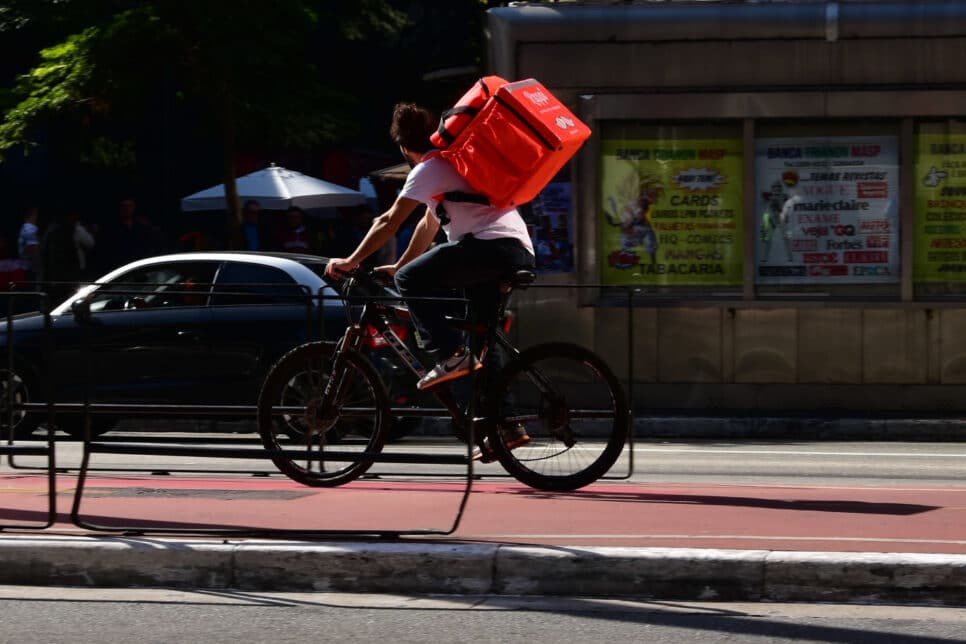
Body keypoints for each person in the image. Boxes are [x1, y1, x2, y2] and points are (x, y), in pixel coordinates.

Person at [324, 103, 536, 456]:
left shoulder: (429, 168)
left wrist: (350, 261)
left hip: (488, 249)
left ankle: (452, 354)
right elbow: (428, 225)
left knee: (416, 287)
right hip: (514, 251)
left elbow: (388, 221)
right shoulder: (453, 164)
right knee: (481, 341)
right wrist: (399, 265)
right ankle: (507, 427)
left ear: (404, 148)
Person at [16, 205, 40, 283]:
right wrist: (38, 267)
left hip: (27, 268)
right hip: (29, 269)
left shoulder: (25, 227)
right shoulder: (29, 228)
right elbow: (32, 248)